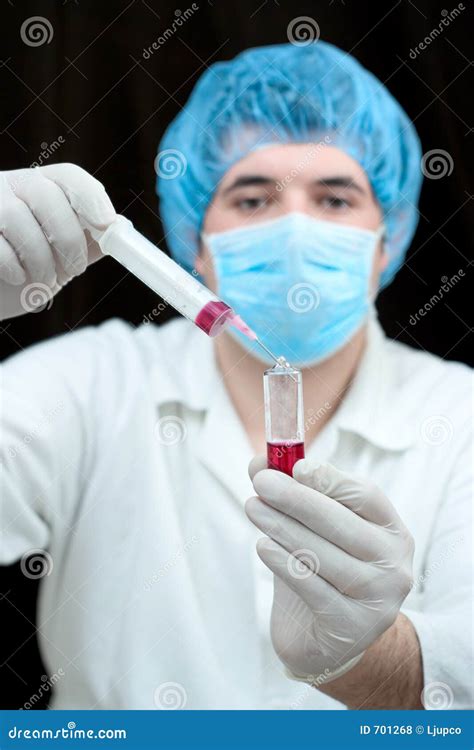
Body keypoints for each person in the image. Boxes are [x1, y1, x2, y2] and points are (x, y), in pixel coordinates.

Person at [0, 42, 472, 711]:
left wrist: (363, 658)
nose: (294, 231)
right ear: (193, 241)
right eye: (252, 200)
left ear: (389, 237)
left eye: (335, 199)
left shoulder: (460, 416)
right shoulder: (86, 385)